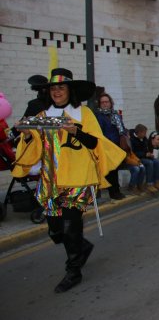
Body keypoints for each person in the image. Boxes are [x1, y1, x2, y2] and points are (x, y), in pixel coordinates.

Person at [12, 68, 125, 293]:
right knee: (55, 231)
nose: (56, 92)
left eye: (61, 87)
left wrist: (76, 131)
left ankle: (73, 270)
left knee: (70, 226)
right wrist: (25, 134)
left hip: (77, 178)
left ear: (69, 90)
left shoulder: (83, 113)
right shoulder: (43, 116)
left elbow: (95, 144)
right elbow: (32, 148)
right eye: (53, 88)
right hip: (50, 180)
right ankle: (81, 247)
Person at [95, 92, 127, 200]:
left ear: (110, 103)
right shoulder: (99, 116)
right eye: (102, 102)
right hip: (107, 147)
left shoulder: (115, 114)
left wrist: (124, 135)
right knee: (111, 171)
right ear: (99, 104)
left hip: (117, 146)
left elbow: (121, 127)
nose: (105, 104)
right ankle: (113, 192)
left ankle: (116, 191)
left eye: (106, 102)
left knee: (116, 169)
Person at [130, 124, 159, 195]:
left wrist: (149, 153)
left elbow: (146, 147)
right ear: (139, 132)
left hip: (145, 156)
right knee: (149, 163)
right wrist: (145, 154)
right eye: (144, 133)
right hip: (137, 158)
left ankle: (157, 182)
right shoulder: (132, 140)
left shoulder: (144, 138)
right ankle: (149, 184)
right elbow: (134, 153)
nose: (145, 135)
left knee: (156, 161)